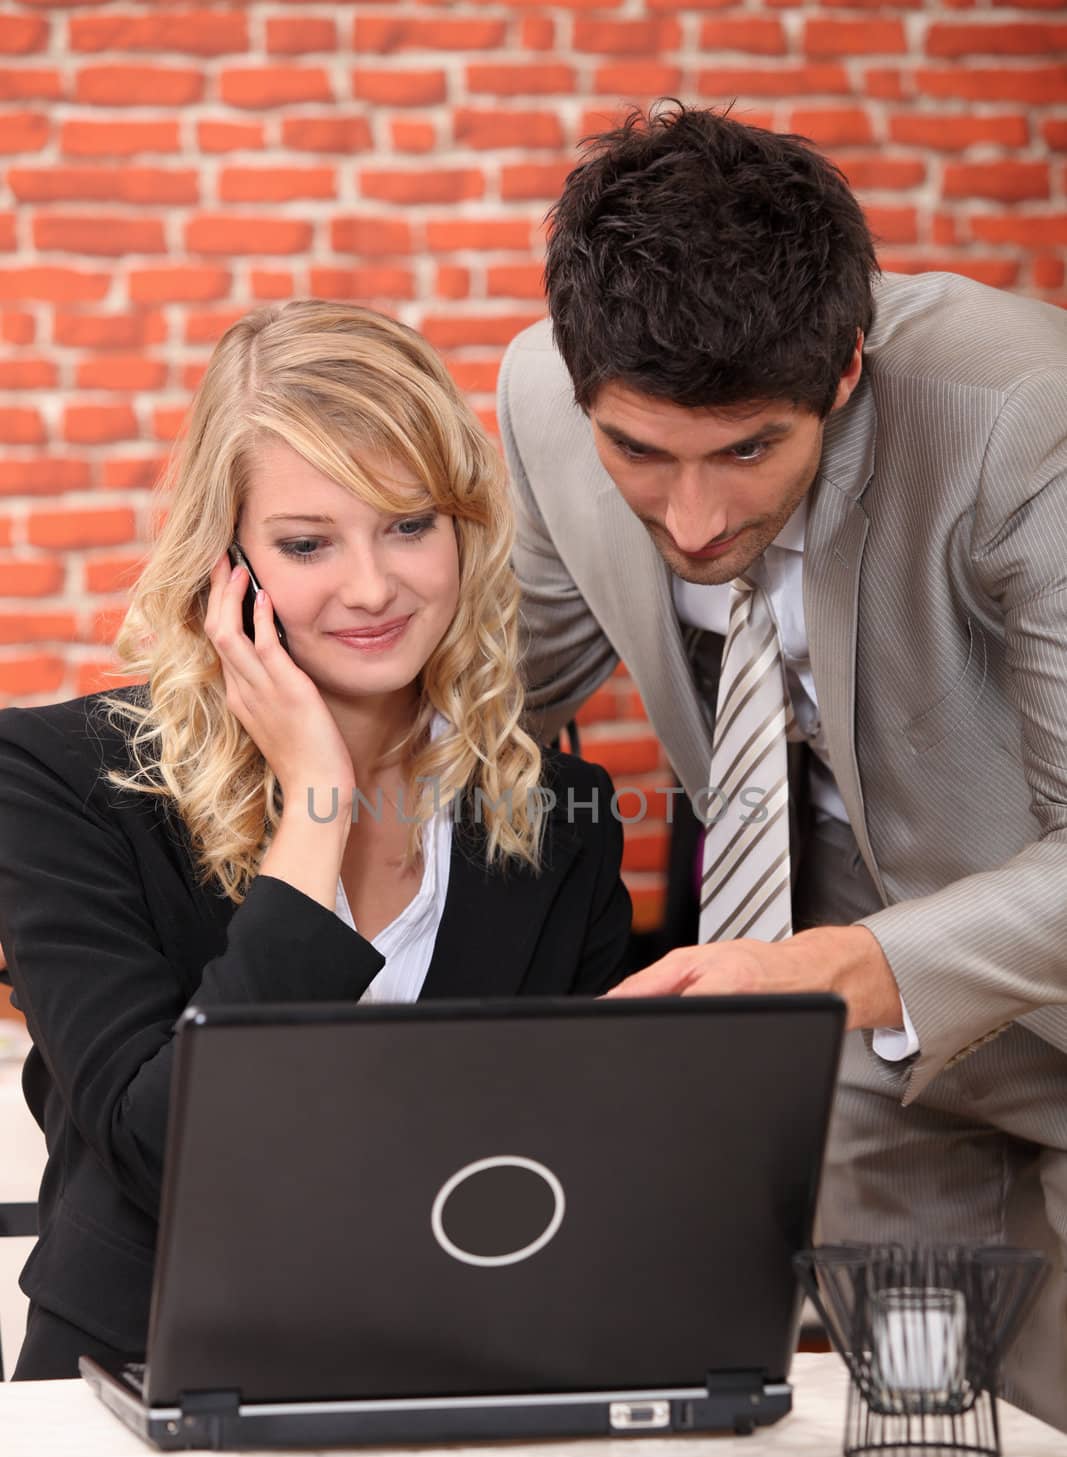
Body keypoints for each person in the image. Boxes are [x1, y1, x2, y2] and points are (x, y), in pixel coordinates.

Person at [498, 104, 1067, 1431]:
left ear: (844, 371)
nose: (691, 520)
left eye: (747, 451)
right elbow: (486, 709)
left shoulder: (1020, 422)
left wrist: (829, 966)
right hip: (871, 1063)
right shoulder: (542, 398)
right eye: (638, 453)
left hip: (922, 974)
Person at [0, 299, 631, 1380]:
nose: (373, 587)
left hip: (456, 1368)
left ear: (464, 531)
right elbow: (166, 1146)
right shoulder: (62, 781)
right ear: (226, 562)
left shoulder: (555, 813)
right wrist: (317, 802)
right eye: (306, 543)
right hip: (141, 1375)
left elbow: (571, 1159)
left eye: (408, 524)